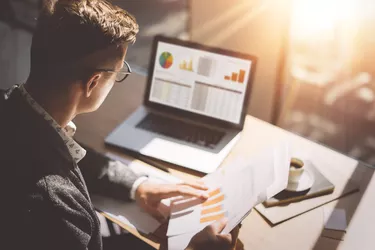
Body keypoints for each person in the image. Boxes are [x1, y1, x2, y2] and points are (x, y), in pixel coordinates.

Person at [0, 0, 239, 249]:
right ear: (93, 83)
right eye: (118, 73)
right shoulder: (54, 206)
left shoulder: (12, 110)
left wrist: (137, 186)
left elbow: (59, 150)